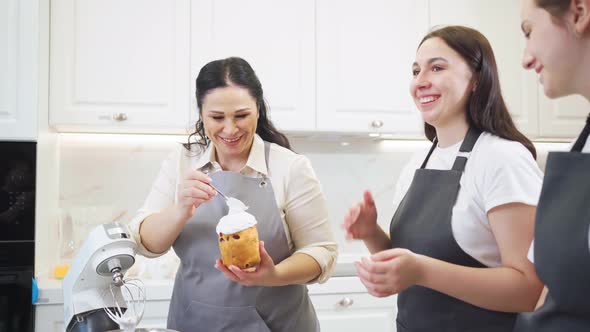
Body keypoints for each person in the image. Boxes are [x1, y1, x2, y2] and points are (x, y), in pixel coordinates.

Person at [342, 26, 544, 332]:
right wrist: (371, 233)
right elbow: (407, 267)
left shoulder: (503, 159)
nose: (420, 81)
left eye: (436, 67)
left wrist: (421, 271)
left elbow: (528, 289)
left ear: (477, 78)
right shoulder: (418, 162)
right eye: (415, 70)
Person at [129, 57, 337, 332]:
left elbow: (321, 251)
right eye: (216, 117)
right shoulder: (181, 162)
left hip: (278, 324)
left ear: (258, 110)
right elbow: (146, 243)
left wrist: (274, 275)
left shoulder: (290, 168)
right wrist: (179, 209)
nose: (230, 129)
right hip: (194, 322)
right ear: (201, 114)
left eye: (241, 115)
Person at [514, 0, 590, 330]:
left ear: (579, 13)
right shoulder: (582, 143)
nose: (526, 59)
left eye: (530, 31)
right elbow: (552, 291)